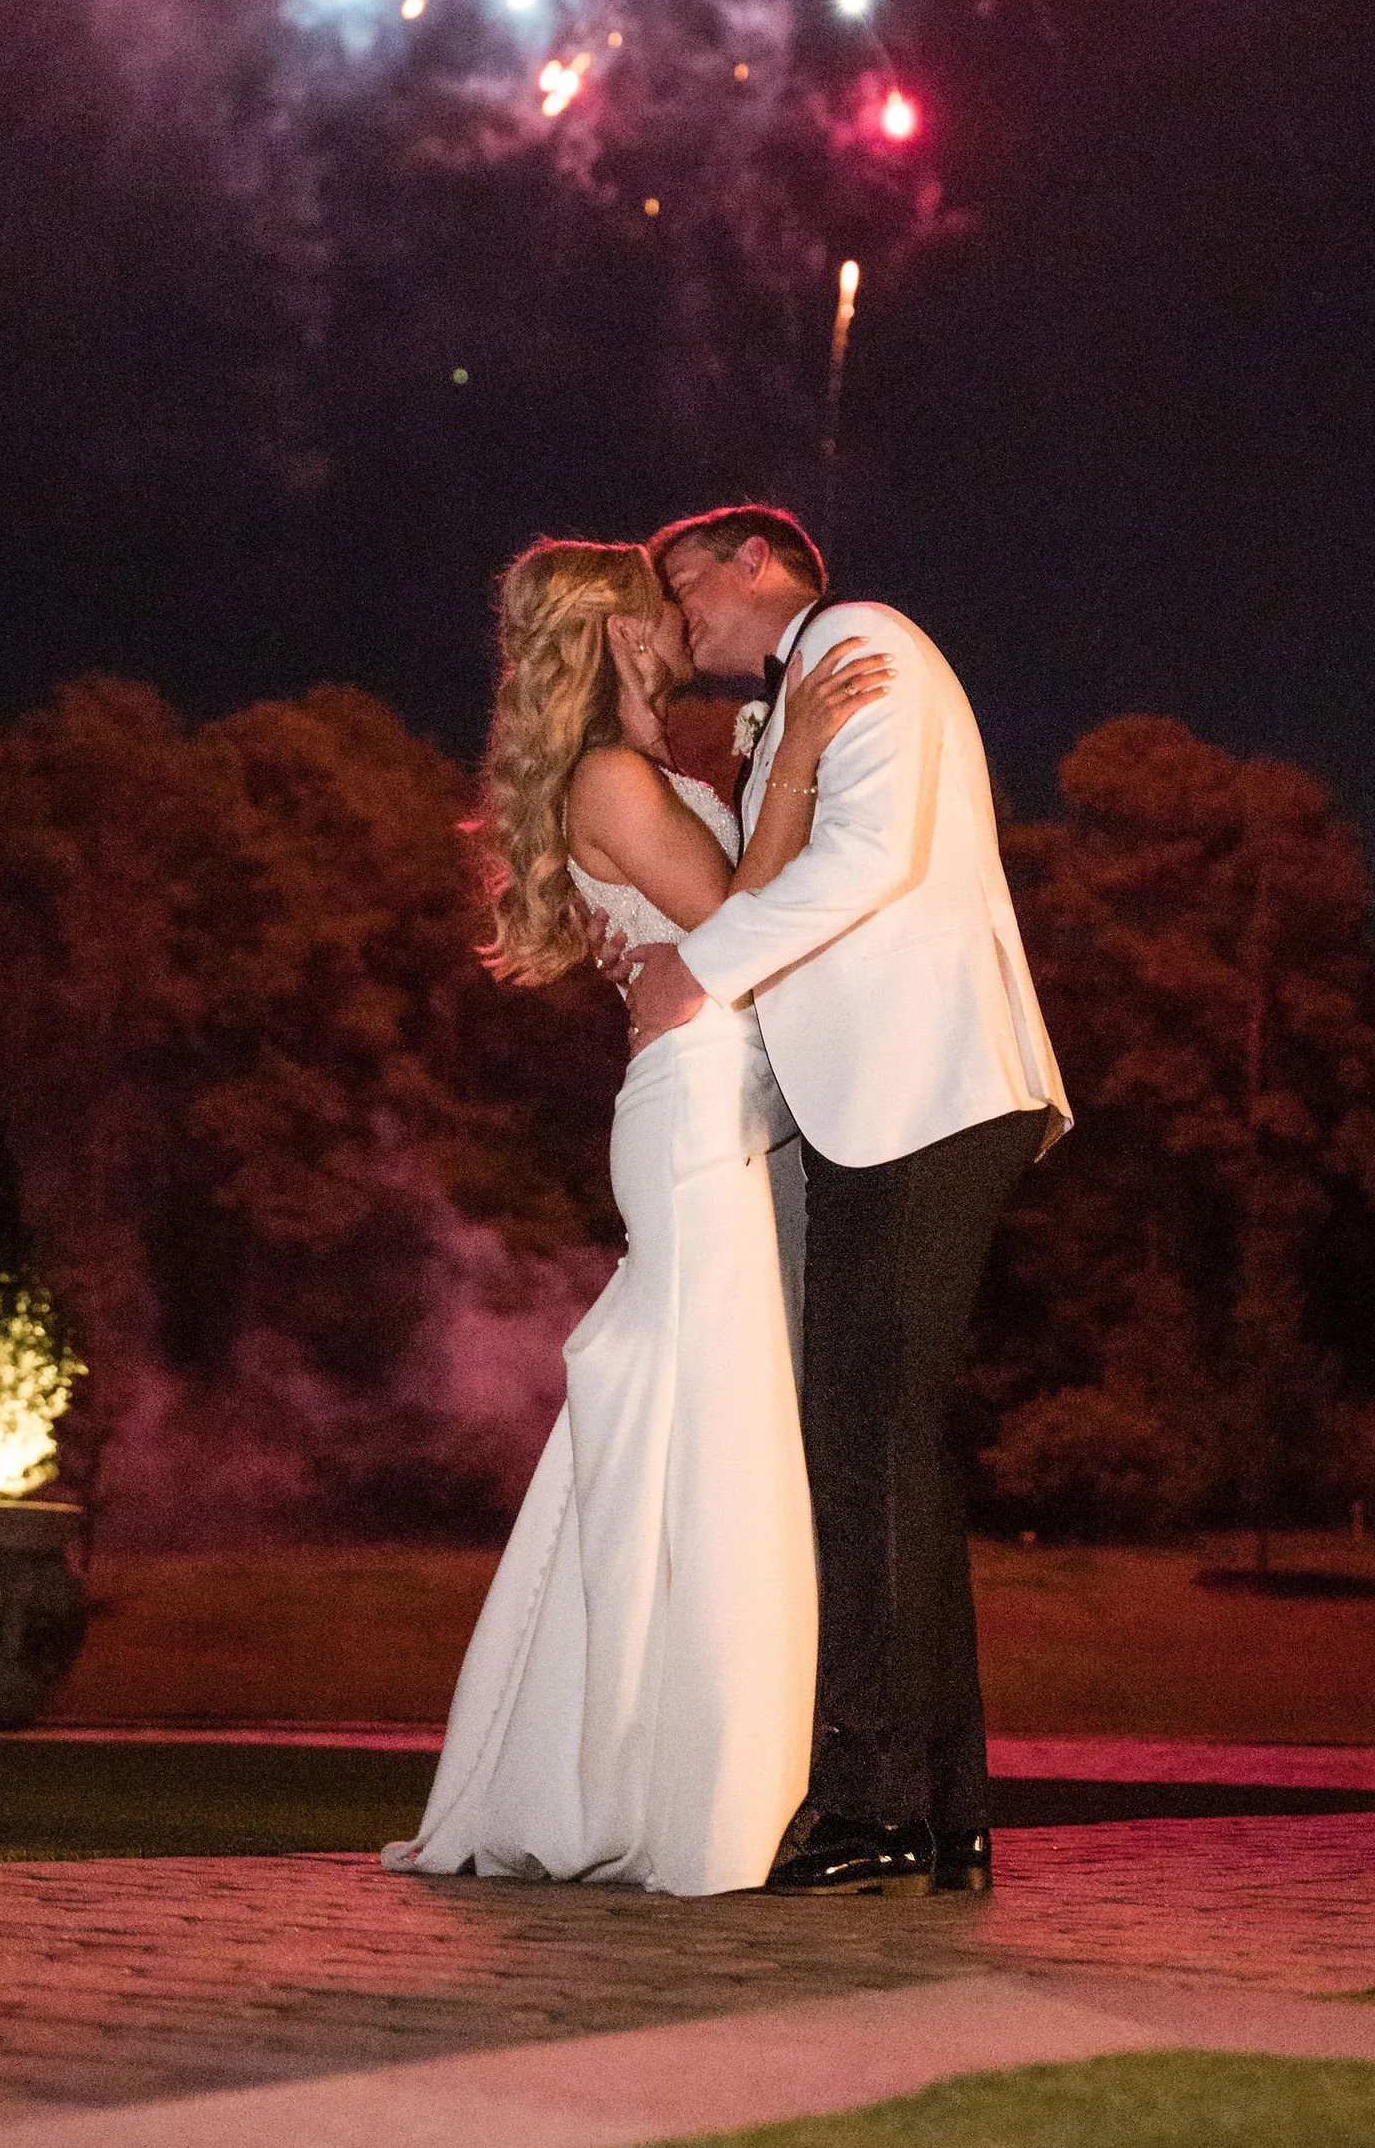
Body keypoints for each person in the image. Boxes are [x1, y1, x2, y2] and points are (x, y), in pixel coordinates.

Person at [382, 536, 894, 1896]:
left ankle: (620, 1764)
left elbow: (727, 921)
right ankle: (700, 1795)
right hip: (692, 1115)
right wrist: (789, 764)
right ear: (616, 637)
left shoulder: (643, 775)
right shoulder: (611, 779)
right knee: (710, 1434)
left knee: (685, 1430)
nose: (682, 626)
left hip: (723, 1104)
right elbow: (737, 914)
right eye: (661, 612)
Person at [616, 505, 1072, 1899]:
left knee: (868, 1452)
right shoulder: (803, 690)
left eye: (682, 580)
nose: (673, 609)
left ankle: (875, 1802)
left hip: (923, 1096)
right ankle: (935, 1807)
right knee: (884, 1459)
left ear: (759, 563)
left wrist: (703, 967)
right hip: (881, 1110)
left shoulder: (865, 641)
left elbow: (869, 860)